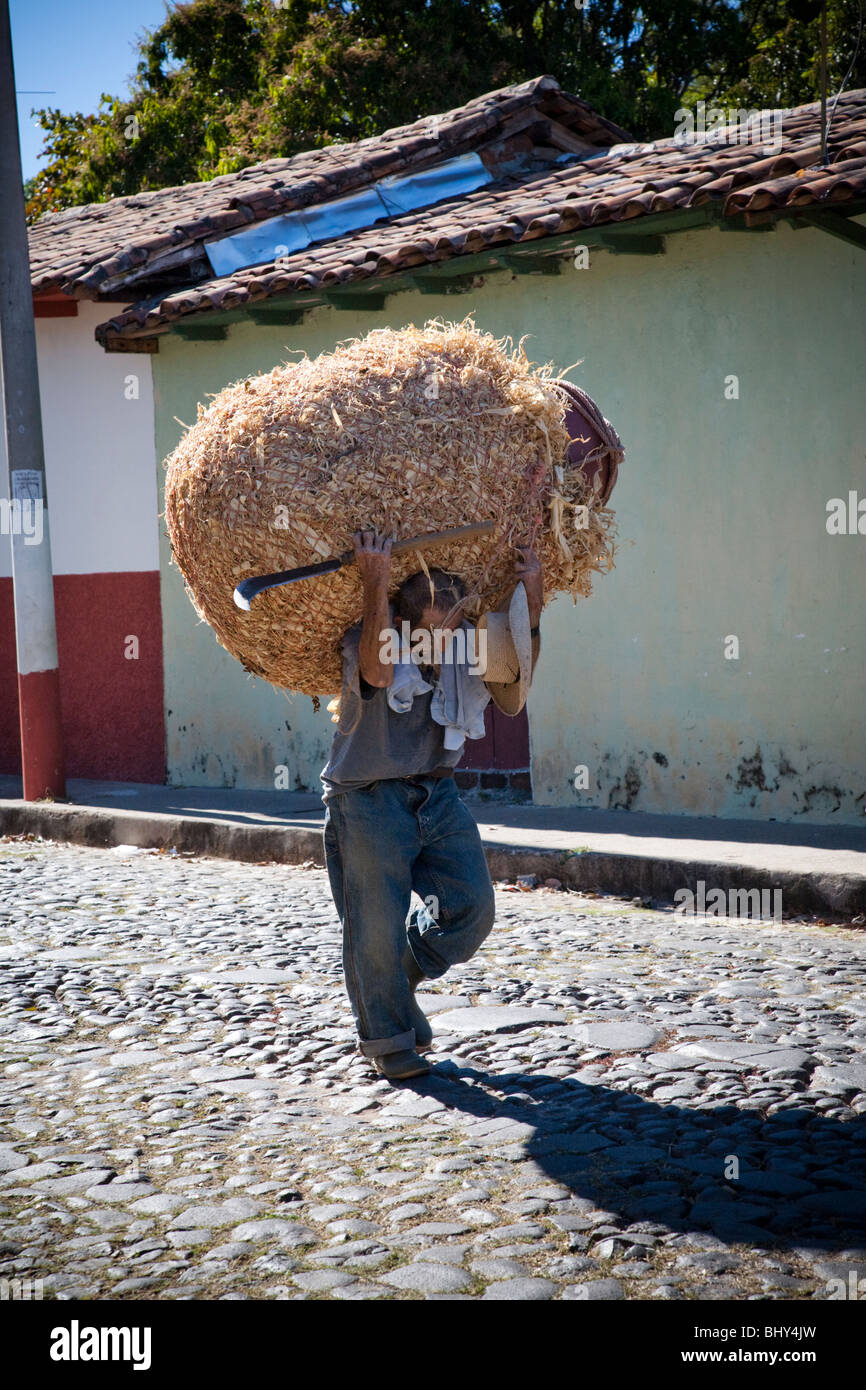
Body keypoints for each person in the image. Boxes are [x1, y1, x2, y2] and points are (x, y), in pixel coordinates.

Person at [320, 529, 543, 1081]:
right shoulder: (370, 637)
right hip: (367, 799)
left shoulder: (465, 640)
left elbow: (517, 679)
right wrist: (375, 581)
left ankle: (401, 967)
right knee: (372, 926)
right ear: (406, 623)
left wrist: (531, 599)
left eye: (453, 628)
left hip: (436, 792)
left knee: (471, 906)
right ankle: (388, 1040)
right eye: (434, 633)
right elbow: (375, 673)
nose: (446, 643)